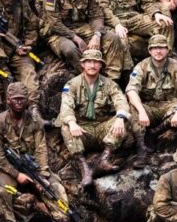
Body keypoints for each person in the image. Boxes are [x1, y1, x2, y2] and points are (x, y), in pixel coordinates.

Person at [0, 81, 71, 222]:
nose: (19, 102)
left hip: (31, 166)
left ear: (28, 101)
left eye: (22, 99)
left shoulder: (34, 121)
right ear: (8, 100)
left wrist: (42, 175)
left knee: (54, 187)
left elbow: (41, 149)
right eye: (15, 99)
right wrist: (17, 175)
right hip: (7, 168)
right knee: (2, 191)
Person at [57, 49, 133, 187]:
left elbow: (120, 101)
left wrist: (120, 117)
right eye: (89, 62)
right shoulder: (72, 85)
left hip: (102, 128)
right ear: (83, 64)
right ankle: (85, 170)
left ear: (100, 66)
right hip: (82, 131)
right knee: (66, 125)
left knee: (125, 119)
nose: (92, 65)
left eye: (96, 62)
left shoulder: (109, 84)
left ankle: (104, 159)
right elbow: (66, 107)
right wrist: (73, 123)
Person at [126, 33, 177, 161]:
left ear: (167, 50)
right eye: (155, 48)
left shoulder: (176, 66)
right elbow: (131, 90)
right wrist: (141, 111)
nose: (158, 51)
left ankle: (154, 132)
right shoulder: (141, 67)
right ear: (150, 50)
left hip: (168, 106)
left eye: (162, 47)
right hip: (148, 108)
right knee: (132, 107)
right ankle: (141, 147)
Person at [42, 0, 107, 66]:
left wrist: (97, 35)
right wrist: (76, 39)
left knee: (110, 38)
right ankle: (87, 74)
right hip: (57, 32)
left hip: (81, 26)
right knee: (70, 49)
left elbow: (96, 15)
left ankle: (111, 76)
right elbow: (54, 24)